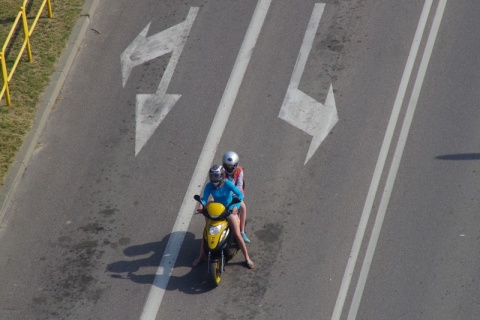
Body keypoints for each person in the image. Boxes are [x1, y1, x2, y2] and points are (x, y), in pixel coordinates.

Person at [193, 165, 254, 269]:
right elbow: (204, 198)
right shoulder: (209, 186)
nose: (214, 178)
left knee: (237, 234)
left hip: (228, 210)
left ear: (222, 176)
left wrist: (235, 206)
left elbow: (240, 195)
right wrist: (201, 205)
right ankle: (201, 257)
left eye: (216, 176)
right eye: (212, 176)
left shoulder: (227, 183)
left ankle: (247, 258)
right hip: (216, 211)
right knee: (206, 233)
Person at [222, 151, 250, 243]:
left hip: (235, 196)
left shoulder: (240, 171)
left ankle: (242, 231)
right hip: (224, 195)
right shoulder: (221, 171)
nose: (229, 167)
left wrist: (234, 197)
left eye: (231, 165)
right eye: (227, 165)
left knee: (243, 208)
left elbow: (239, 186)